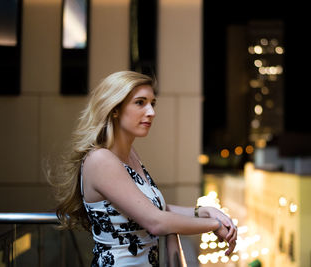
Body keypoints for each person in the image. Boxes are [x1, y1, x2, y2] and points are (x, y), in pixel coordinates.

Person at [49, 70, 237, 267]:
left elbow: (154, 209)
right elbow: (156, 221)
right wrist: (213, 225)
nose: (151, 112)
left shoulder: (131, 155)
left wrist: (205, 211)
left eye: (152, 103)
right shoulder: (100, 159)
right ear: (115, 108)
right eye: (140, 102)